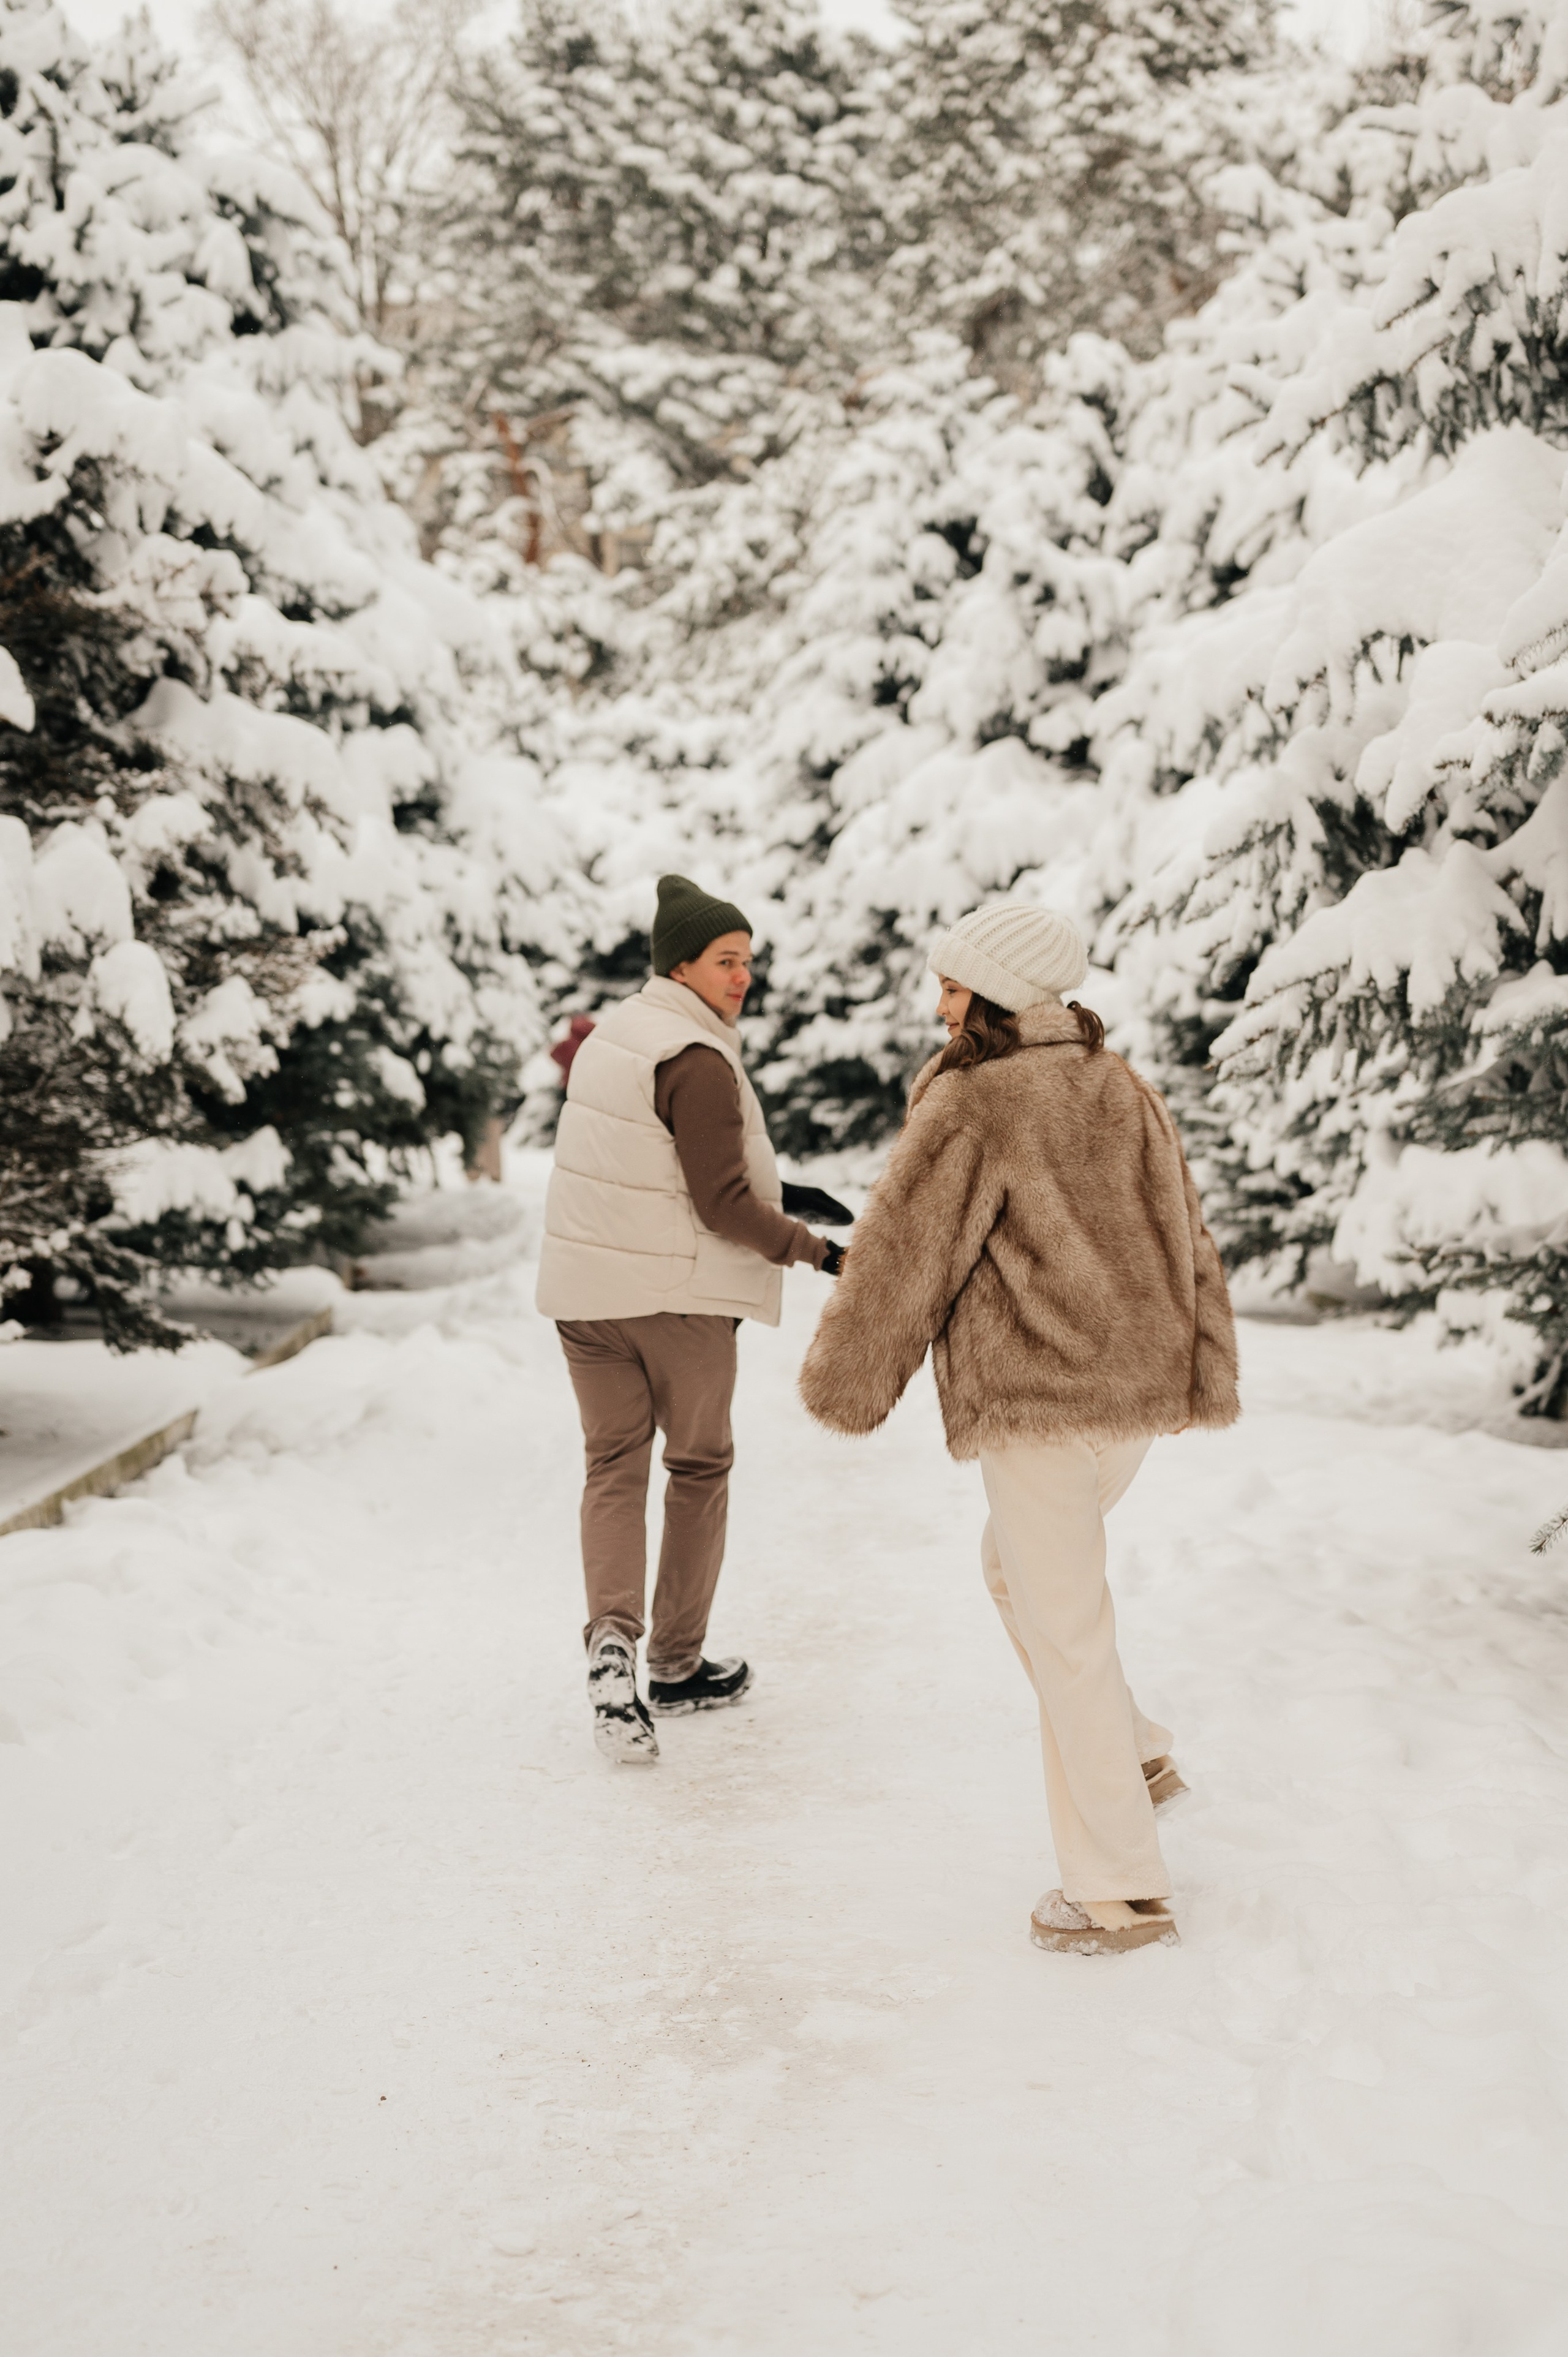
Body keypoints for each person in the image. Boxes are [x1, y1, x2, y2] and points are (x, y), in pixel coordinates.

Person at [799, 902, 1239, 1955]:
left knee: (1065, 1626)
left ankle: (1119, 1892)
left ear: (1000, 993)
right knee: (1019, 1576)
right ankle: (1134, 1752)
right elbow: (1188, 1234)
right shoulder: (1118, 1082)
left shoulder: (974, 1099)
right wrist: (1199, 1369)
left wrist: (847, 1381)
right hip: (1125, 1402)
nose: (939, 1007)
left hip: (1038, 1401)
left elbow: (907, 1254)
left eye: (954, 987)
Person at [537, 874, 845, 1764]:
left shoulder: (615, 1038)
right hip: (676, 1303)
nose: (743, 977)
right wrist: (820, 1254)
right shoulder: (698, 1057)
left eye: (748, 961)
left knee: (612, 1466)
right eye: (725, 961)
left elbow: (650, 1163)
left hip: (587, 1302)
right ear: (681, 966)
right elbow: (719, 1204)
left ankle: (611, 1645)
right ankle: (674, 1664)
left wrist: (784, 1192)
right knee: (698, 1466)